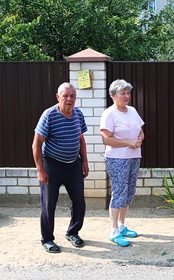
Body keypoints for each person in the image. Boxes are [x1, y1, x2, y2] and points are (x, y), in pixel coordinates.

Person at [32, 83, 89, 253]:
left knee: (79, 201)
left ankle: (73, 232)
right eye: (65, 96)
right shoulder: (49, 115)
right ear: (58, 97)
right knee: (49, 204)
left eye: (72, 96)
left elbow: (81, 139)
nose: (69, 99)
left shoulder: (78, 114)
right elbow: (36, 144)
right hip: (52, 165)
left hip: (73, 165)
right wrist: (40, 170)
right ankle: (47, 239)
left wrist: (84, 161)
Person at [100, 79, 145, 247]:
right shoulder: (109, 114)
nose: (126, 96)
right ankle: (114, 231)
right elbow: (106, 140)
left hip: (134, 157)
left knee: (129, 192)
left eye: (128, 93)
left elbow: (141, 132)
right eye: (122, 94)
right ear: (113, 96)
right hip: (117, 158)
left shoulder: (132, 111)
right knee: (119, 192)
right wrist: (129, 142)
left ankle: (122, 225)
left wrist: (138, 140)